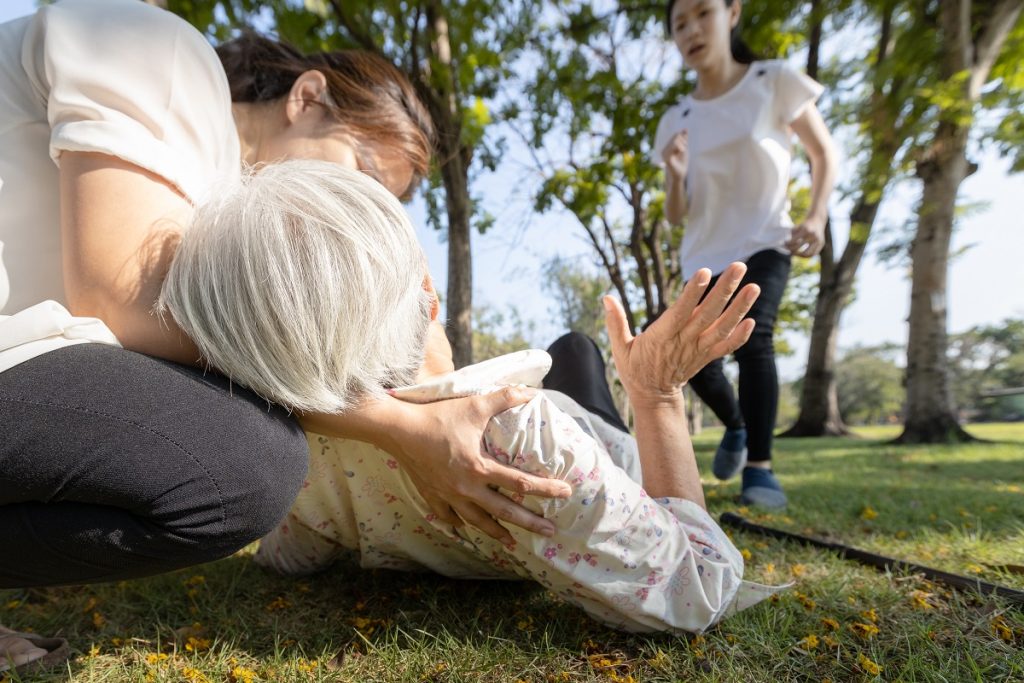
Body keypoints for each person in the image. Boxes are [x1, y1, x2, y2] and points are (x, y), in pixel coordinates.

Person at [0, 0, 564, 673]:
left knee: (249, 453)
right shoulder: (158, 51)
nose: (358, 208)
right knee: (243, 462)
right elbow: (120, 297)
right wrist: (396, 426)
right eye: (364, 173)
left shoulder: (214, 203)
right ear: (307, 96)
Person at [158, 159, 785, 633]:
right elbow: (703, 589)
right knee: (576, 350)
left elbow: (292, 555)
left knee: (571, 353)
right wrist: (657, 397)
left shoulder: (287, 449)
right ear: (427, 292)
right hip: (593, 443)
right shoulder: (524, 438)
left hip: (521, 422)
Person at [655, 0, 838, 508]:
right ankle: (735, 424)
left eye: (702, 13)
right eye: (679, 24)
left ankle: (760, 469)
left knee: (755, 340)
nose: (691, 29)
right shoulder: (678, 118)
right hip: (702, 257)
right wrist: (673, 174)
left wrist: (816, 216)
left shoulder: (773, 81)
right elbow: (675, 214)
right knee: (695, 361)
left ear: (732, 13)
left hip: (765, 239)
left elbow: (823, 152)